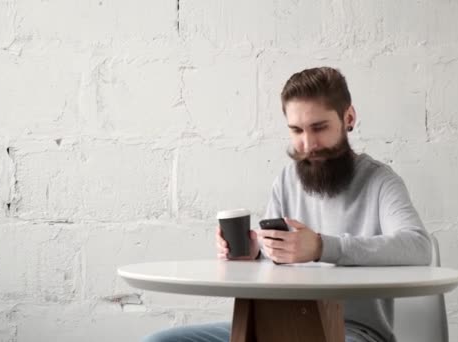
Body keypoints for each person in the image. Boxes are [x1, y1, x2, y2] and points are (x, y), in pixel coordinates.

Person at [143, 66, 432, 342]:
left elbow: (418, 247)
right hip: (279, 325)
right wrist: (255, 252)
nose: (308, 144)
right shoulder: (286, 180)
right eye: (296, 130)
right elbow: (277, 268)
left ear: (349, 118)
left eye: (319, 127)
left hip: (353, 332)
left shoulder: (380, 182)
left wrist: (321, 247)